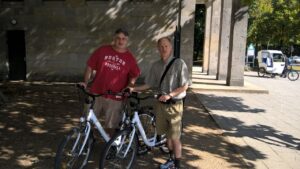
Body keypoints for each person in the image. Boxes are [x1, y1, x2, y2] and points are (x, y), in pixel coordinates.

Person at [133, 37, 190, 169]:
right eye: (161, 46)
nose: (164, 49)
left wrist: (170, 95)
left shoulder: (179, 63)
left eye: (166, 46)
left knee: (175, 138)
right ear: (158, 48)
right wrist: (134, 88)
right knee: (167, 138)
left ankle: (177, 165)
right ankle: (171, 159)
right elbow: (148, 84)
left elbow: (185, 86)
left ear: (170, 47)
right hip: (160, 106)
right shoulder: (155, 66)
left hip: (174, 106)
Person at [80, 28, 140, 136]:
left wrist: (130, 86)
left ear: (127, 41)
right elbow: (90, 67)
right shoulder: (102, 50)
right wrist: (85, 82)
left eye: (123, 39)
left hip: (115, 97)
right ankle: (86, 143)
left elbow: (134, 74)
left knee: (112, 126)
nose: (120, 41)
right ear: (114, 38)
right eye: (118, 38)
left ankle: (111, 147)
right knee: (87, 121)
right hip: (96, 93)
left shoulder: (130, 58)